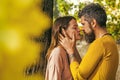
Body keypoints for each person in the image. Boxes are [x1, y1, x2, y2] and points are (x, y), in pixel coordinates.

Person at [59, 3, 119, 80]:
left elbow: (78, 76)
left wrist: (70, 52)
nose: (81, 29)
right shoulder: (109, 41)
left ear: (93, 23)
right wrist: (73, 48)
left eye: (83, 24)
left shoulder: (100, 44)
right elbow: (84, 69)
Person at [45, 16, 82, 80]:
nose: (79, 30)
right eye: (75, 28)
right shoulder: (57, 53)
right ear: (63, 31)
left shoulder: (71, 51)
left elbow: (81, 74)